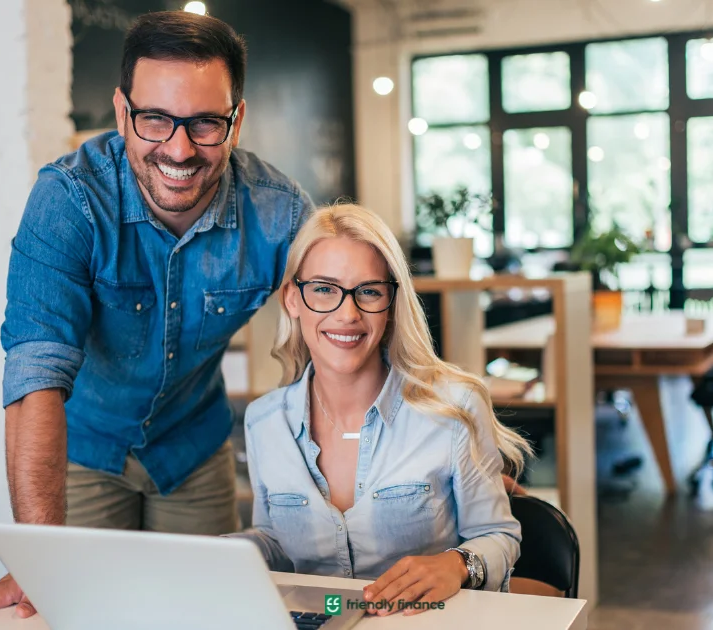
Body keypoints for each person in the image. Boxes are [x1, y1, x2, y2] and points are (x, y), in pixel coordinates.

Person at [0, 11, 313, 620]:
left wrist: (450, 447)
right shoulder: (68, 200)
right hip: (82, 449)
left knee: (208, 616)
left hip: (193, 448)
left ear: (237, 119)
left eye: (206, 123)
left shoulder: (279, 214)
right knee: (80, 613)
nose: (179, 150)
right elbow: (34, 375)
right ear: (123, 112)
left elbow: (355, 330)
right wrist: (39, 557)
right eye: (155, 119)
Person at [228, 204, 532, 615]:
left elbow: (498, 535)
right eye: (323, 289)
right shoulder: (264, 421)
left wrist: (458, 564)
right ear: (292, 300)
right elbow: (277, 545)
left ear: (390, 304)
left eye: (369, 291)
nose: (347, 314)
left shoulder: (453, 408)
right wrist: (225, 552)